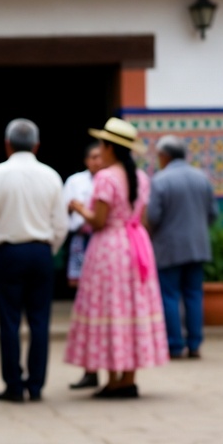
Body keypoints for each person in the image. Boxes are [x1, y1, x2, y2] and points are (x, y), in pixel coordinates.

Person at [64, 117, 169, 397]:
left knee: (109, 307)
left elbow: (98, 221)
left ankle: (112, 378)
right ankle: (129, 377)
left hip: (109, 247)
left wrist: (79, 209)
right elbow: (142, 219)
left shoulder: (106, 178)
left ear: (109, 147)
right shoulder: (141, 178)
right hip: (136, 246)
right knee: (133, 306)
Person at [0, 118, 67, 403]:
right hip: (40, 252)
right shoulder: (51, 175)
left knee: (9, 320)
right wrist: (47, 249)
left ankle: (13, 385)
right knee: (40, 321)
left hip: (8, 253)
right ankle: (36, 385)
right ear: (37, 145)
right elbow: (61, 224)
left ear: (7, 145)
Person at [145, 134, 218, 359]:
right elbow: (213, 214)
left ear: (165, 156)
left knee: (169, 296)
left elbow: (152, 217)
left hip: (169, 248)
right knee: (194, 294)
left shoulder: (160, 180)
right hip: (198, 247)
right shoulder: (202, 178)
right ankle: (195, 344)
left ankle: (174, 345)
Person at [63, 143, 103, 389]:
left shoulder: (114, 180)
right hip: (81, 241)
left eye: (101, 155)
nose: (98, 161)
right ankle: (91, 369)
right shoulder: (76, 181)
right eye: (93, 157)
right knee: (85, 303)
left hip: (103, 242)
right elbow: (63, 210)